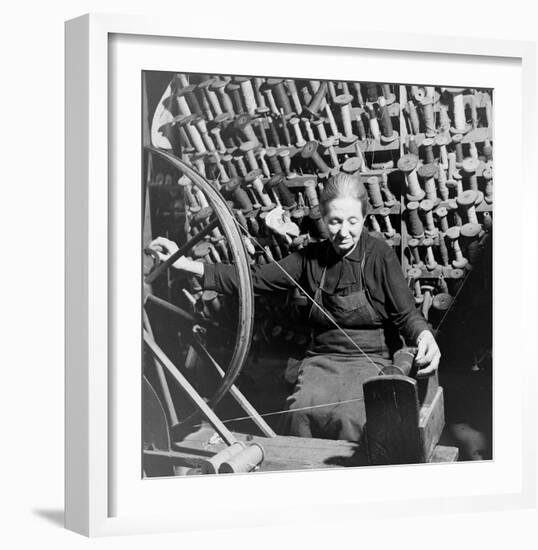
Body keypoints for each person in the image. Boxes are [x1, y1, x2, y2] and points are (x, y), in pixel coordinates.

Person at [149, 172, 440, 442]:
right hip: (323, 360)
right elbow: (252, 278)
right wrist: (185, 262)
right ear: (324, 219)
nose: (344, 232)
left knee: (354, 419)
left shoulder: (380, 256)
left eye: (353, 221)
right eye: (335, 221)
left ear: (364, 218)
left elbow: (407, 314)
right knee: (300, 413)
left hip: (372, 360)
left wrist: (424, 336)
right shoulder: (309, 259)